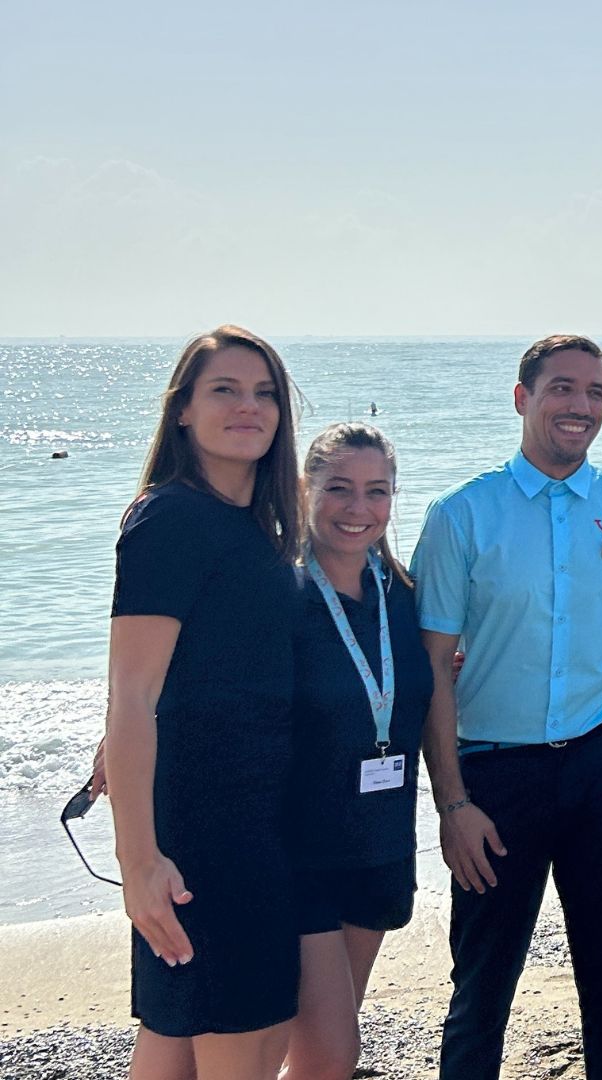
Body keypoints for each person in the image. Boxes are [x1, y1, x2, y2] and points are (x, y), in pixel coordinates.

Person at [411, 334, 602, 1080]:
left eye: (595, 391)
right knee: (483, 982)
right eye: (563, 388)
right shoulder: (461, 514)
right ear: (523, 397)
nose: (581, 406)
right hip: (494, 778)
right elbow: (433, 664)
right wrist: (451, 803)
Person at [103, 325, 306, 1079]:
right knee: (243, 1046)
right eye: (224, 389)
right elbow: (131, 695)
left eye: (264, 393)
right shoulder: (172, 520)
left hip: (248, 822)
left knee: (175, 1043)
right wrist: (138, 858)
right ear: (183, 409)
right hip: (206, 837)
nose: (248, 407)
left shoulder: (254, 529)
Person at [282, 423, 434, 1079]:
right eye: (338, 488)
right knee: (330, 1052)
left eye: (376, 491)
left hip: (380, 841)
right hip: (296, 852)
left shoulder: (402, 594)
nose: (358, 508)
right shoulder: (278, 594)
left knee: (330, 1039)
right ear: (302, 489)